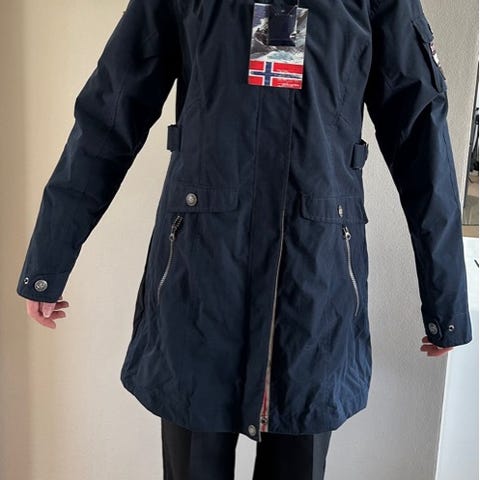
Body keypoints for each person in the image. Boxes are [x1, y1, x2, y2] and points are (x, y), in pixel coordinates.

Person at [17, 0, 471, 478]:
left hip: (313, 287)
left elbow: (420, 134)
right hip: (199, 280)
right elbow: (110, 112)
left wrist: (446, 299)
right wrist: (49, 259)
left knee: (298, 450)